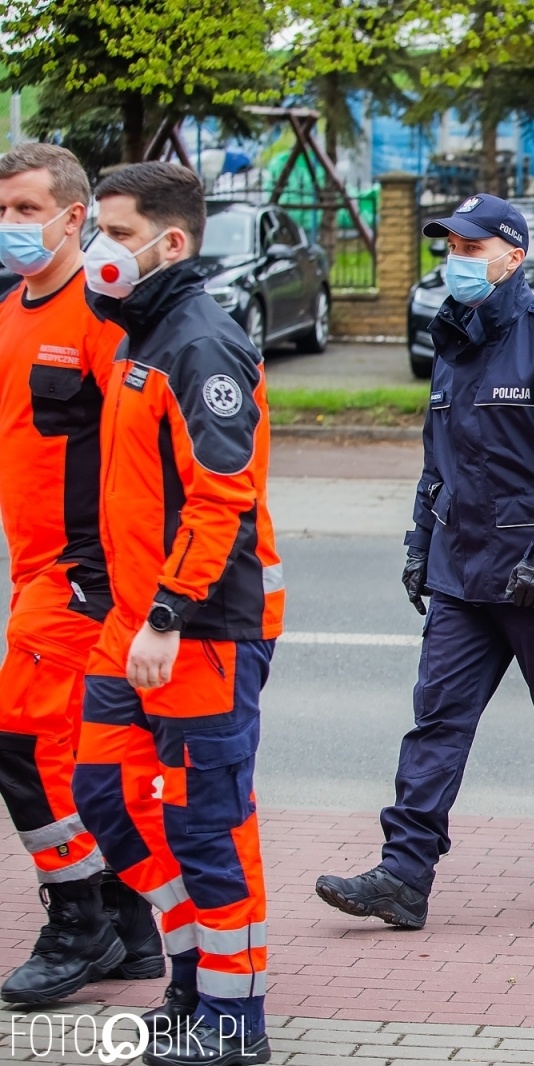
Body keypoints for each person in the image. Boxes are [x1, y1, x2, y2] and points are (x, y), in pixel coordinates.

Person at [316, 193, 534, 932]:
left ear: (512, 257)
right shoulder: (454, 339)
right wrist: (416, 546)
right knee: (436, 721)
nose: (455, 262)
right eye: (449, 249)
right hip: (461, 572)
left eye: (470, 249)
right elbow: (441, 462)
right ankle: (404, 874)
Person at [69, 161, 280, 1065]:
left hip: (198, 626)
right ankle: (192, 975)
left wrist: (167, 612)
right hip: (138, 617)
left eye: (114, 234)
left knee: (205, 820)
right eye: (99, 232)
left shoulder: (199, 343)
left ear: (172, 242)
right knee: (107, 796)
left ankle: (234, 1026)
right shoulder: (137, 335)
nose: (97, 251)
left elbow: (220, 497)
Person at [0, 144, 162, 1005]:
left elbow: (143, 448)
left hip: (80, 577)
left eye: (27, 210)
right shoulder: (7, 311)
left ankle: (79, 921)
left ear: (73, 219)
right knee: (73, 758)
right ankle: (129, 927)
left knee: (25, 750)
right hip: (32, 573)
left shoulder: (103, 315)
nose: (11, 226)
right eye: (2, 210)